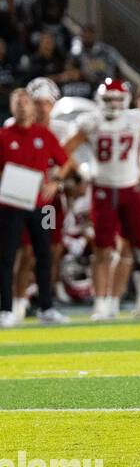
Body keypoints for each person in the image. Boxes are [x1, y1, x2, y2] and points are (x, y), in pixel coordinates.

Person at [60, 78, 140, 319]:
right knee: (102, 249)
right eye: (108, 99)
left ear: (126, 100)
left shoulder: (136, 119)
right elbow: (62, 150)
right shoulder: (91, 121)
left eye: (117, 99)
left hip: (131, 187)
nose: (113, 104)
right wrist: (82, 171)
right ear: (100, 100)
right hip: (103, 189)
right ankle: (101, 303)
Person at [0, 87, 77, 327]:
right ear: (12, 107)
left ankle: (47, 307)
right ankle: (7, 309)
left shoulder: (44, 134)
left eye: (26, 101)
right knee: (8, 256)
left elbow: (66, 162)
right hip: (11, 204)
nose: (22, 106)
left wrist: (56, 181)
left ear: (32, 106)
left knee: (45, 253)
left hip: (44, 207)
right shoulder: (3, 135)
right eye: (18, 102)